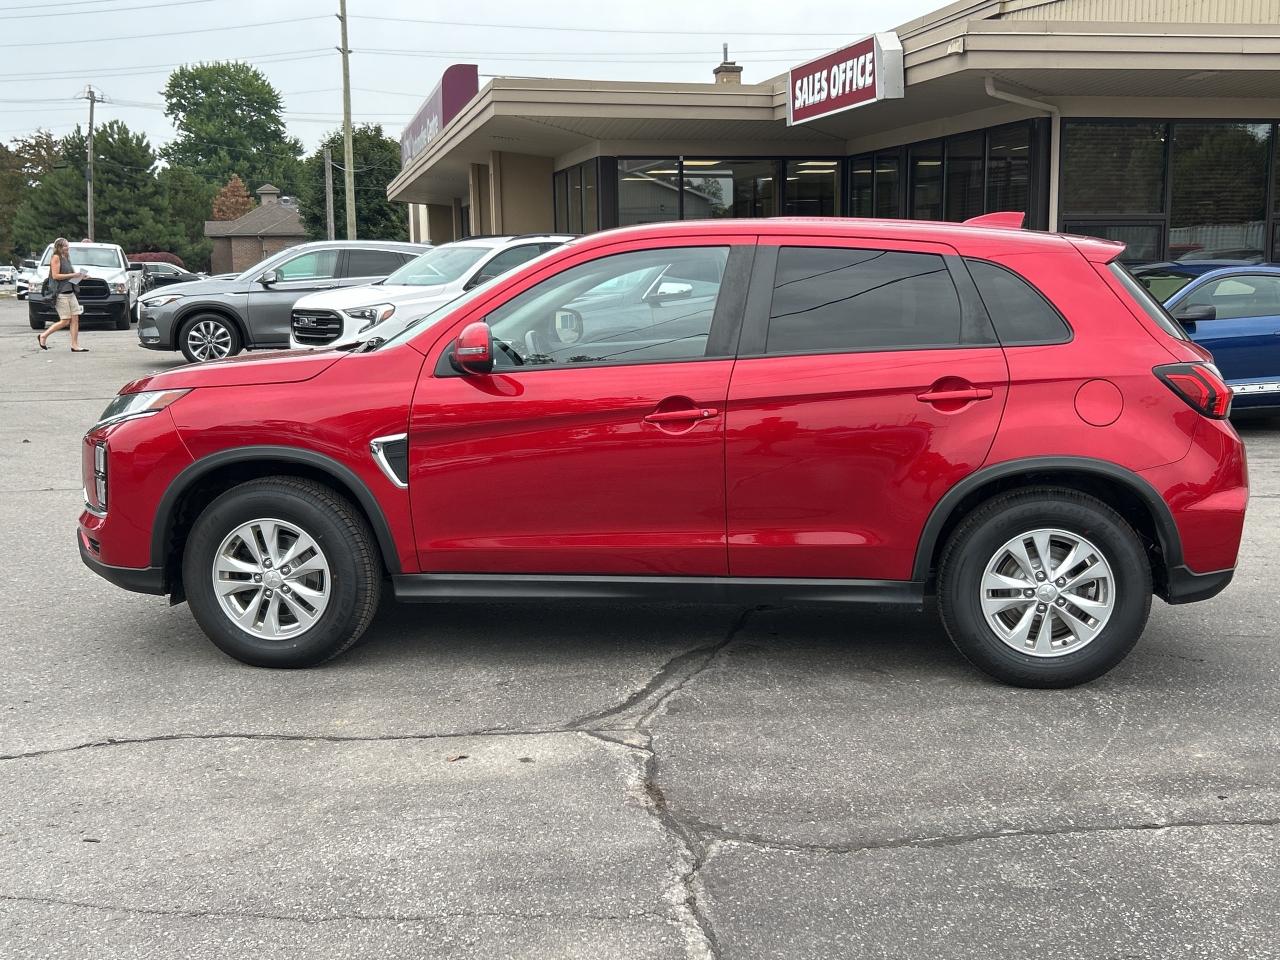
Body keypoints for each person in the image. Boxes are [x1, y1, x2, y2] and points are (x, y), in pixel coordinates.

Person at [37, 237, 89, 352]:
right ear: (59, 247)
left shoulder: (66, 257)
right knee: (65, 320)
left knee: (75, 318)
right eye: (65, 246)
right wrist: (73, 275)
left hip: (71, 292)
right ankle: (43, 336)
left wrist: (81, 276)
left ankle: (74, 345)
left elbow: (70, 274)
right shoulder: (56, 257)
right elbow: (56, 276)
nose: (67, 248)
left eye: (67, 245)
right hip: (61, 293)